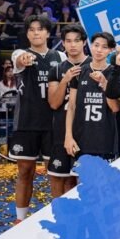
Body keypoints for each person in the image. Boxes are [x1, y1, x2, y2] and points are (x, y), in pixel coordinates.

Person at [9, 15, 62, 223]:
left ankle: (60, 219)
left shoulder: (60, 56)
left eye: (40, 29)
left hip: (53, 123)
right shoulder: (20, 53)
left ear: (48, 32)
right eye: (31, 29)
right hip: (27, 122)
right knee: (25, 171)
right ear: (27, 34)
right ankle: (20, 219)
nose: (36, 32)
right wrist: (24, 58)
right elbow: (19, 59)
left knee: (55, 173)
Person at [64, 33, 120, 167]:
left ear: (111, 50)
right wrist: (68, 136)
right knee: (82, 179)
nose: (99, 50)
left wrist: (104, 83)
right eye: (96, 45)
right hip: (81, 139)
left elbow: (115, 108)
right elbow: (71, 107)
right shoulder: (79, 72)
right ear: (90, 46)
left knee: (104, 179)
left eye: (104, 47)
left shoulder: (115, 73)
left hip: (106, 140)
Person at [47, 24, 89, 197]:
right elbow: (54, 104)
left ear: (84, 42)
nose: (73, 45)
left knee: (82, 180)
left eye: (77, 41)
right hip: (61, 130)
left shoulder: (94, 66)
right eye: (68, 41)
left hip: (89, 130)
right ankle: (59, 212)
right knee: (59, 178)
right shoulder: (56, 69)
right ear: (63, 43)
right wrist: (65, 80)